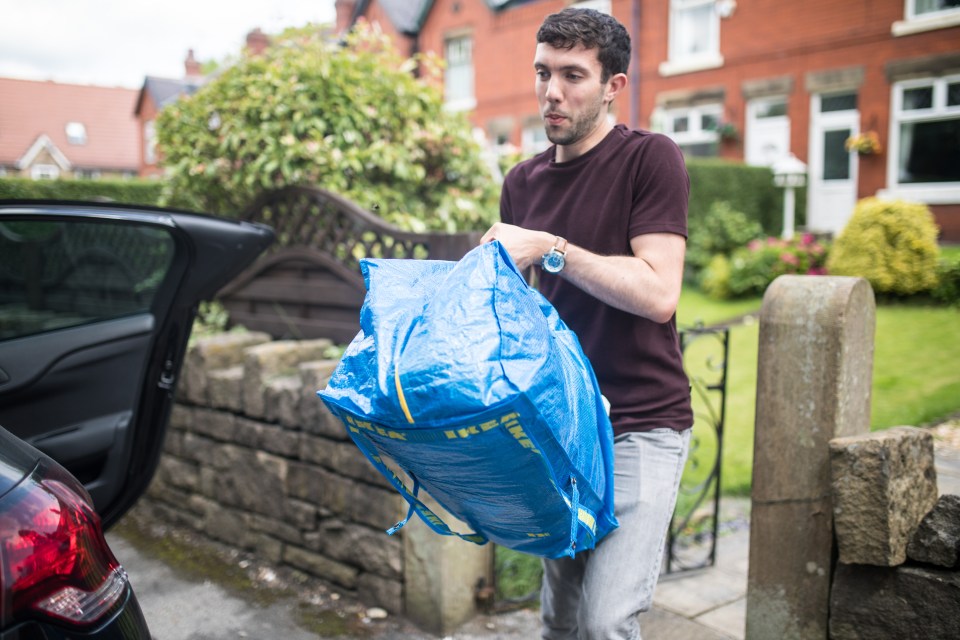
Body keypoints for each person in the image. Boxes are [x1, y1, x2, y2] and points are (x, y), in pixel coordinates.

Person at [480, 7, 693, 639]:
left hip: (641, 422)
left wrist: (551, 247)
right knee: (561, 619)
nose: (551, 91)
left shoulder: (649, 159)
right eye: (543, 72)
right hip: (561, 426)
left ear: (612, 86)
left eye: (573, 74)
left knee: (605, 624)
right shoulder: (522, 182)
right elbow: (519, 318)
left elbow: (659, 293)